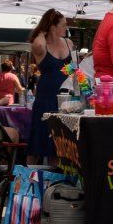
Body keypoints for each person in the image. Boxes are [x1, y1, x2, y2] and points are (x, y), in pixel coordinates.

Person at [27, 9, 72, 162]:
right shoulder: (40, 44)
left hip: (65, 95)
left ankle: (55, 176)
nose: (66, 28)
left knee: (59, 140)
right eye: (63, 25)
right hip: (46, 95)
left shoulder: (68, 42)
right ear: (53, 26)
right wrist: (42, 31)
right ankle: (28, 177)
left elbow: (73, 66)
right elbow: (37, 43)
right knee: (39, 138)